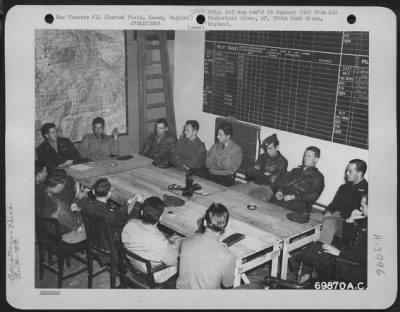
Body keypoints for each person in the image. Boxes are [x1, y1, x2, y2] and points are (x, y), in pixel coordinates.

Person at [298, 192, 368, 285]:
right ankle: (305, 273)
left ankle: (308, 279)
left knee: (313, 254)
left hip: (354, 268)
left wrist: (339, 253)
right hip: (349, 257)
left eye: (362, 206)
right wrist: (350, 219)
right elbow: (349, 237)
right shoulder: (367, 222)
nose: (360, 208)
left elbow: (364, 258)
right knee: (316, 247)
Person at [121, 196, 181, 284]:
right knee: (184, 257)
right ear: (160, 218)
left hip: (133, 265)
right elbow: (173, 260)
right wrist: (176, 244)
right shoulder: (161, 242)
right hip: (154, 274)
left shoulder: (129, 225)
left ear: (141, 212)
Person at [176, 203, 236, 289]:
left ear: (204, 222)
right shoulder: (228, 256)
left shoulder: (186, 241)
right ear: (225, 226)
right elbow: (227, 285)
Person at [318, 159, 368, 245]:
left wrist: (339, 214)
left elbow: (360, 215)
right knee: (309, 217)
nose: (347, 174)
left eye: (350, 171)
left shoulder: (366, 191)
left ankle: (321, 251)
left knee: (329, 222)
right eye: (347, 171)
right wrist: (328, 211)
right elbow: (333, 204)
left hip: (348, 225)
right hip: (334, 216)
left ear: (359, 173)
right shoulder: (344, 187)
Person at [273, 146, 325, 224]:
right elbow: (282, 182)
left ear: (316, 159)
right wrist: (279, 191)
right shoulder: (295, 171)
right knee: (269, 207)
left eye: (309, 156)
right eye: (305, 155)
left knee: (277, 212)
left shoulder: (318, 177)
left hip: (300, 203)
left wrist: (295, 197)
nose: (305, 158)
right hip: (284, 197)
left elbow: (314, 196)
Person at [79, 178, 144, 237]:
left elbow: (118, 214)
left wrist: (128, 202)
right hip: (113, 245)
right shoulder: (111, 216)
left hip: (94, 240)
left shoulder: (85, 205)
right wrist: (138, 203)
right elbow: (130, 223)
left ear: (93, 191)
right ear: (109, 194)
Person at [231, 133, 288, 200]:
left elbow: (272, 180)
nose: (267, 151)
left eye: (270, 148)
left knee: (249, 200)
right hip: (253, 184)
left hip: (267, 188)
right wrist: (264, 173)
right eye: (266, 149)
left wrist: (257, 172)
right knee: (229, 192)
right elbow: (249, 172)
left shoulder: (283, 161)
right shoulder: (263, 156)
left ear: (277, 147)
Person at [39, 169, 86, 244]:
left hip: (49, 230)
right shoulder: (59, 205)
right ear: (58, 186)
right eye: (64, 185)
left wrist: (76, 200)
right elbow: (75, 223)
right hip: (64, 235)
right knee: (93, 223)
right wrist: (79, 210)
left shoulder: (43, 193)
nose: (64, 187)